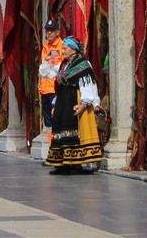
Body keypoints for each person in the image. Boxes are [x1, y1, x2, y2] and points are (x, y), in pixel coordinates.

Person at [44, 37, 103, 174]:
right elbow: (51, 78)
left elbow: (87, 85)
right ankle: (62, 164)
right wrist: (54, 104)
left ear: (74, 50)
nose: (62, 51)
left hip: (73, 101)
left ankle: (75, 164)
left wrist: (84, 104)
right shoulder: (63, 65)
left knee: (73, 132)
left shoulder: (83, 64)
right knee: (60, 133)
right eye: (62, 48)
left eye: (65, 48)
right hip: (62, 103)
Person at [37, 20, 71, 143]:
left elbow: (59, 69)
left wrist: (48, 66)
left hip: (56, 89)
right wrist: (47, 65)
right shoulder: (46, 47)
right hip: (45, 89)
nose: (49, 33)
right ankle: (50, 147)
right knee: (48, 124)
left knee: (56, 118)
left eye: (52, 31)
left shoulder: (62, 46)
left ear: (57, 32)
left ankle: (57, 145)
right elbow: (43, 71)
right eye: (47, 31)